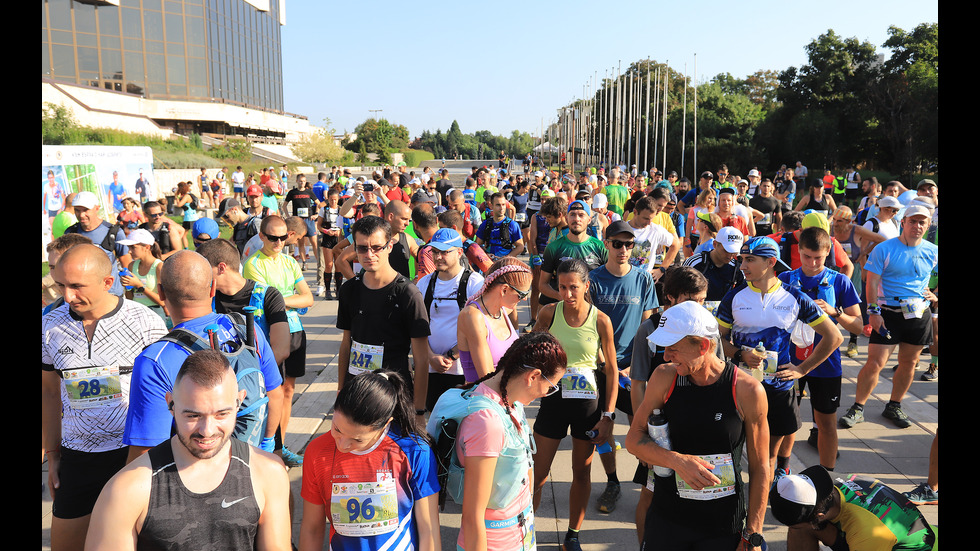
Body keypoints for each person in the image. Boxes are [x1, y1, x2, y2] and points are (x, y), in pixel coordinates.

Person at [86, 350, 291, 551]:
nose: (207, 431)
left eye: (221, 414)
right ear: (171, 405)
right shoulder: (127, 489)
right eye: (193, 416)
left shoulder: (268, 472)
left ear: (239, 402)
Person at [42, 244, 168, 551]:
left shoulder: (145, 323)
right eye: (60, 285)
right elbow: (47, 392)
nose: (67, 296)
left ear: (107, 282)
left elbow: (165, 398)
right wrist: (54, 455)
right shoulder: (49, 325)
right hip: (78, 457)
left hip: (135, 456)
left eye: (76, 286)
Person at [626, 301, 770, 551]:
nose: (666, 355)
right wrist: (677, 461)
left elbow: (760, 467)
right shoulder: (664, 377)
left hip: (722, 524)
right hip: (669, 518)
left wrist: (753, 534)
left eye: (673, 348)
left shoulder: (747, 390)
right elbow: (633, 439)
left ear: (703, 346)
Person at [123, 250, 284, 461]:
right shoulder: (246, 327)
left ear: (161, 293)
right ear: (213, 289)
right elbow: (274, 394)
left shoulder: (155, 360)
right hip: (250, 460)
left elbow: (145, 453)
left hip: (194, 479)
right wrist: (266, 445)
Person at [716, 236, 843, 486]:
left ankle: (759, 508)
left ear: (771, 262)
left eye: (749, 260)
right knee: (732, 452)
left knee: (767, 456)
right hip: (739, 386)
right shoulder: (734, 297)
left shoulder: (794, 297)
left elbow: (834, 336)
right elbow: (717, 340)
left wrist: (802, 369)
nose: (742, 266)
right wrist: (741, 354)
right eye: (742, 259)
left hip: (778, 388)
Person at [299, 369, 441, 551]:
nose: (342, 445)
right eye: (337, 429)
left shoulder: (414, 450)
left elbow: (429, 530)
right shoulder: (317, 452)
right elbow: (311, 528)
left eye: (357, 440)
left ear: (386, 423)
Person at [531, 259, 619, 551]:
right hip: (553, 401)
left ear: (586, 286)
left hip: (587, 406)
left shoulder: (601, 320)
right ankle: (525, 530)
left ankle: (572, 535)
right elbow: (531, 352)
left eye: (574, 288)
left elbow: (611, 370)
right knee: (538, 472)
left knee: (581, 472)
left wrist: (608, 415)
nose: (568, 294)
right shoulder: (547, 313)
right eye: (562, 287)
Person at [454, 332, 568, 551]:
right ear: (533, 376)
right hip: (496, 542)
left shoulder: (512, 400)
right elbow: (472, 515)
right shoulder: (487, 422)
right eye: (551, 386)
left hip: (520, 534)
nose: (547, 394)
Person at [626, 266, 709, 542]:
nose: (698, 308)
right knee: (651, 496)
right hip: (660, 430)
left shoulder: (707, 329)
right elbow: (637, 384)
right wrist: (643, 434)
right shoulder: (648, 330)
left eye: (702, 301)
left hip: (696, 426)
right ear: (671, 298)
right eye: (691, 301)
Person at [839, 201, 938, 430]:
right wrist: (873, 312)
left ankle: (894, 405)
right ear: (903, 222)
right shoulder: (885, 248)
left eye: (922, 222)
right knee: (875, 363)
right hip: (887, 313)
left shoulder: (932, 251)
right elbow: (871, 282)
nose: (917, 226)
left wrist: (934, 294)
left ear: (927, 225)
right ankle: (858, 407)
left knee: (909, 363)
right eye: (912, 221)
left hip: (918, 313)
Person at [587, 220, 659, 514]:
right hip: (598, 364)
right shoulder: (592, 279)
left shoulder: (643, 279)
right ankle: (613, 481)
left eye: (629, 244)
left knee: (641, 428)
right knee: (601, 429)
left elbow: (648, 326)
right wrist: (603, 360)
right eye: (617, 244)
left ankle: (650, 485)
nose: (624, 250)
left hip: (632, 368)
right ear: (606, 244)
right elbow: (585, 321)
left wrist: (635, 366)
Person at [778, 227, 863, 472]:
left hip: (826, 363)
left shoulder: (840, 281)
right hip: (789, 361)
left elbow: (858, 324)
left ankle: (827, 477)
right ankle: (781, 471)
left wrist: (835, 312)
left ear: (828, 252)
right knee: (787, 422)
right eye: (807, 256)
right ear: (799, 253)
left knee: (826, 422)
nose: (813, 263)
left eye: (819, 257)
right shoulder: (785, 280)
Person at [336, 215, 431, 417]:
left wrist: (419, 410)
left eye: (376, 247)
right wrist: (341, 389)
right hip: (357, 392)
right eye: (362, 248)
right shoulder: (349, 290)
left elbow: (421, 358)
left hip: (393, 394)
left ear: (389, 246)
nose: (369, 254)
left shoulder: (408, 294)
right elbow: (346, 344)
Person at [243, 215, 314, 467]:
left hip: (295, 331)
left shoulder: (290, 261)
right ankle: (271, 446)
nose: (278, 242)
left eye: (283, 237)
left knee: (288, 391)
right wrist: (290, 299)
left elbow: (308, 299)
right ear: (261, 236)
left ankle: (281, 448)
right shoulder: (254, 264)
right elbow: (267, 303)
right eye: (272, 237)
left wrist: (283, 299)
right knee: (273, 390)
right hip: (271, 332)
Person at [770, 465, 937, 550]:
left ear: (819, 515)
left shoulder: (869, 533)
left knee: (800, 527)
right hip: (878, 534)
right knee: (801, 528)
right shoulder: (830, 484)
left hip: (908, 545)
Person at [415, 228, 485, 411]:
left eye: (445, 252)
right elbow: (416, 326)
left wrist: (451, 356)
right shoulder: (425, 283)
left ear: (459, 252)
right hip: (431, 369)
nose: (438, 257)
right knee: (434, 422)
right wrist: (431, 357)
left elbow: (481, 328)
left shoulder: (474, 283)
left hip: (464, 370)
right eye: (435, 252)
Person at [197, 237, 291, 367]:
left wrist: (248, 379)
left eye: (203, 270)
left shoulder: (269, 296)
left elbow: (281, 350)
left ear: (221, 268)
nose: (199, 276)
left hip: (263, 379)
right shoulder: (206, 298)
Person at [457, 257, 531, 383]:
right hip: (484, 399)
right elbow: (487, 379)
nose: (524, 299)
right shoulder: (473, 316)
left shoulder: (502, 310)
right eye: (521, 295)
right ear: (504, 290)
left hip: (507, 397)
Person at [538, 200, 608, 311]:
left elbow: (610, 280)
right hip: (563, 311)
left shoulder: (600, 247)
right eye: (572, 215)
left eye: (581, 215)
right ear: (566, 218)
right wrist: (561, 296)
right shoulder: (553, 248)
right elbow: (543, 285)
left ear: (589, 220)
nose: (576, 219)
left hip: (592, 311)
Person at [64, 191, 132, 297]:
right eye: (77, 210)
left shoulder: (114, 232)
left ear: (97, 208)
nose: (81, 215)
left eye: (86, 210)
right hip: (82, 296)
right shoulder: (70, 233)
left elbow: (126, 261)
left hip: (111, 294)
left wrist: (129, 289)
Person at [683, 226, 745, 314]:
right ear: (715, 244)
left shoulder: (737, 268)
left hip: (724, 320)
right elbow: (677, 292)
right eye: (726, 250)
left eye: (734, 252)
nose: (730, 256)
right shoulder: (695, 262)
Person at [117, 228, 168, 322]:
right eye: (129, 247)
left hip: (154, 313)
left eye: (133, 247)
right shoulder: (132, 265)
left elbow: (162, 302)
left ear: (147, 247)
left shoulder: (159, 266)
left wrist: (139, 286)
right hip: (136, 312)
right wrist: (127, 285)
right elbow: (130, 297)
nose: (129, 251)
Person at [283, 173, 318, 270]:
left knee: (314, 242)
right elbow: (284, 206)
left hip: (309, 220)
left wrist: (316, 214)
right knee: (301, 243)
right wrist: (288, 216)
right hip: (298, 221)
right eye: (300, 181)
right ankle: (304, 262)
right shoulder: (292, 193)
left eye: (303, 181)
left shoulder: (309, 192)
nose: (302, 183)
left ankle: (319, 262)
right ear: (297, 181)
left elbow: (318, 204)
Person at [475, 192, 525, 259]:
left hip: (506, 265)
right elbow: (477, 245)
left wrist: (506, 258)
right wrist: (485, 255)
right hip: (489, 264)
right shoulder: (486, 224)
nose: (501, 208)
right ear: (491, 206)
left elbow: (520, 247)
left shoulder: (512, 225)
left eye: (503, 205)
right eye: (498, 205)